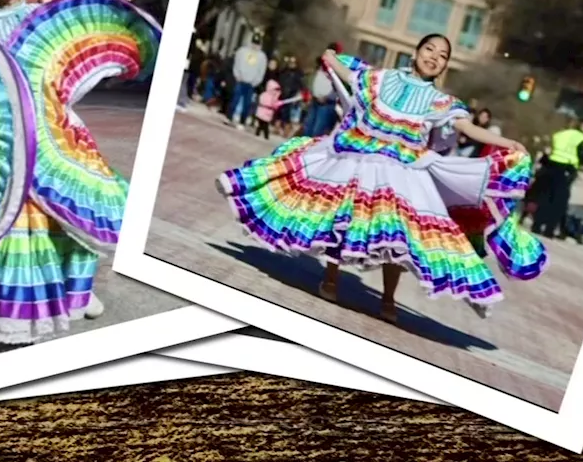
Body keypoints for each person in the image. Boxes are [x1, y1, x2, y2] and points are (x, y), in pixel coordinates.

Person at [216, 34, 542, 324]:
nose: (433, 56)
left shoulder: (441, 102)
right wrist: (330, 56)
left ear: (444, 66)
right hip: (358, 159)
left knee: (398, 237)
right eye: (429, 49)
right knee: (342, 219)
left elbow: (468, 129)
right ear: (415, 52)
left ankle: (388, 296)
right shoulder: (379, 78)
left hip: (404, 171)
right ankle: (331, 277)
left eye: (442, 55)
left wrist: (506, 143)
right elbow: (347, 71)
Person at [0, 0, 107, 342]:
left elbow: (69, 54)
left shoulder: (41, 14)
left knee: (71, 203)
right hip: (12, 128)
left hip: (55, 121)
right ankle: (21, 304)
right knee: (23, 211)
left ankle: (77, 290)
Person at [531, 118, 583, 237]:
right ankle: (549, 229)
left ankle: (537, 225)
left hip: (551, 166)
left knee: (545, 197)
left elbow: (548, 150)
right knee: (559, 202)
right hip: (566, 169)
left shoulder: (560, 134)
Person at [228, 33, 268, 129]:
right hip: (240, 79)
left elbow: (261, 71)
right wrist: (237, 75)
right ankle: (229, 117)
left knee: (247, 103)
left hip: (251, 83)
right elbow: (236, 64)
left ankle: (242, 121)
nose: (255, 46)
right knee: (235, 99)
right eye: (254, 43)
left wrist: (255, 82)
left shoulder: (262, 57)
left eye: (257, 44)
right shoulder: (242, 51)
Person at [302, 44, 342, 137]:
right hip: (315, 100)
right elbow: (312, 80)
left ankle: (313, 149)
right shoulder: (320, 65)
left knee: (317, 130)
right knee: (308, 127)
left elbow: (338, 88)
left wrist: (327, 97)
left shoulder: (338, 68)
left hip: (326, 103)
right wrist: (311, 92)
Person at [275, 56, 304, 137]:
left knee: (287, 113)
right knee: (279, 111)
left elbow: (300, 85)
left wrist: (297, 94)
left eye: (293, 63)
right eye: (290, 62)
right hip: (282, 93)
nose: (292, 64)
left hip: (291, 95)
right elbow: (280, 79)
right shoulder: (284, 71)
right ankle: (277, 127)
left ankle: (286, 130)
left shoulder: (299, 73)